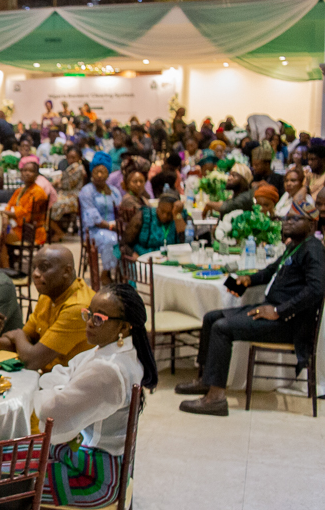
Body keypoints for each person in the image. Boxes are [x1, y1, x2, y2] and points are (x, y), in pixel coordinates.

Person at [178, 198, 325, 416]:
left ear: (312, 224)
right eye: (287, 218)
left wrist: (278, 311)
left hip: (289, 324)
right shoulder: (295, 246)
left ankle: (216, 399)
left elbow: (316, 290)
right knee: (211, 317)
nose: (287, 222)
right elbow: (271, 271)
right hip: (272, 310)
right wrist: (248, 280)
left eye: (295, 219)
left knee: (222, 328)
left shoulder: (313, 250)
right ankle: (206, 380)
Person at [34, 284, 158, 508]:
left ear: (124, 327)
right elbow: (63, 373)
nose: (90, 322)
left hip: (94, 478)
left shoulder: (108, 369)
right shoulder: (114, 351)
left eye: (99, 318)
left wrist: (62, 388)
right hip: (97, 462)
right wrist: (64, 387)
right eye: (89, 314)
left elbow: (49, 411)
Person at [0, 246, 94, 371]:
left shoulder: (78, 308)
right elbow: (25, 342)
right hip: (50, 375)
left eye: (44, 268)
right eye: (34, 268)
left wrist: (17, 335)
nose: (35, 274)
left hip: (70, 380)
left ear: (66, 271)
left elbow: (32, 361)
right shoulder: (49, 295)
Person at [79, 155, 122, 281]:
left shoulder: (114, 191)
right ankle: (106, 273)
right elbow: (92, 216)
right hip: (94, 230)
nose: (99, 175)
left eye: (102, 172)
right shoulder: (87, 191)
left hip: (114, 227)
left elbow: (120, 210)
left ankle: (122, 273)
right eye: (96, 172)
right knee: (110, 239)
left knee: (127, 239)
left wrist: (119, 225)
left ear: (108, 173)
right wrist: (110, 226)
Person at [2, 158, 50, 247]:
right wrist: (5, 215)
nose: (27, 173)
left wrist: (5, 213)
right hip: (17, 227)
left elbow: (26, 215)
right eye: (24, 170)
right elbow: (9, 206)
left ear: (37, 175)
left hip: (30, 232)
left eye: (31, 171)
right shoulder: (20, 190)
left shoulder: (38, 192)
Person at [128, 193, 188, 258]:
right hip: (144, 258)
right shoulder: (145, 216)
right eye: (162, 211)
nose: (165, 216)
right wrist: (133, 255)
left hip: (172, 259)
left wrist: (177, 215)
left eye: (169, 213)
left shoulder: (179, 217)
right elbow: (125, 243)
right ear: (157, 207)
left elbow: (185, 243)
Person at [49, 145, 87, 241]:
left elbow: (68, 185)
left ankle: (58, 232)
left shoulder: (78, 168)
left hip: (74, 197)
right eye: (69, 157)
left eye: (73, 157)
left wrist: (58, 183)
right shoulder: (72, 167)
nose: (71, 160)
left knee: (52, 205)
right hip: (66, 194)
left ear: (79, 157)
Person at [118, 170, 150, 256]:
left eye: (141, 181)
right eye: (135, 182)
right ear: (128, 184)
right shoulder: (128, 199)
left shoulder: (142, 198)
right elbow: (145, 215)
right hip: (133, 236)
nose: (138, 184)